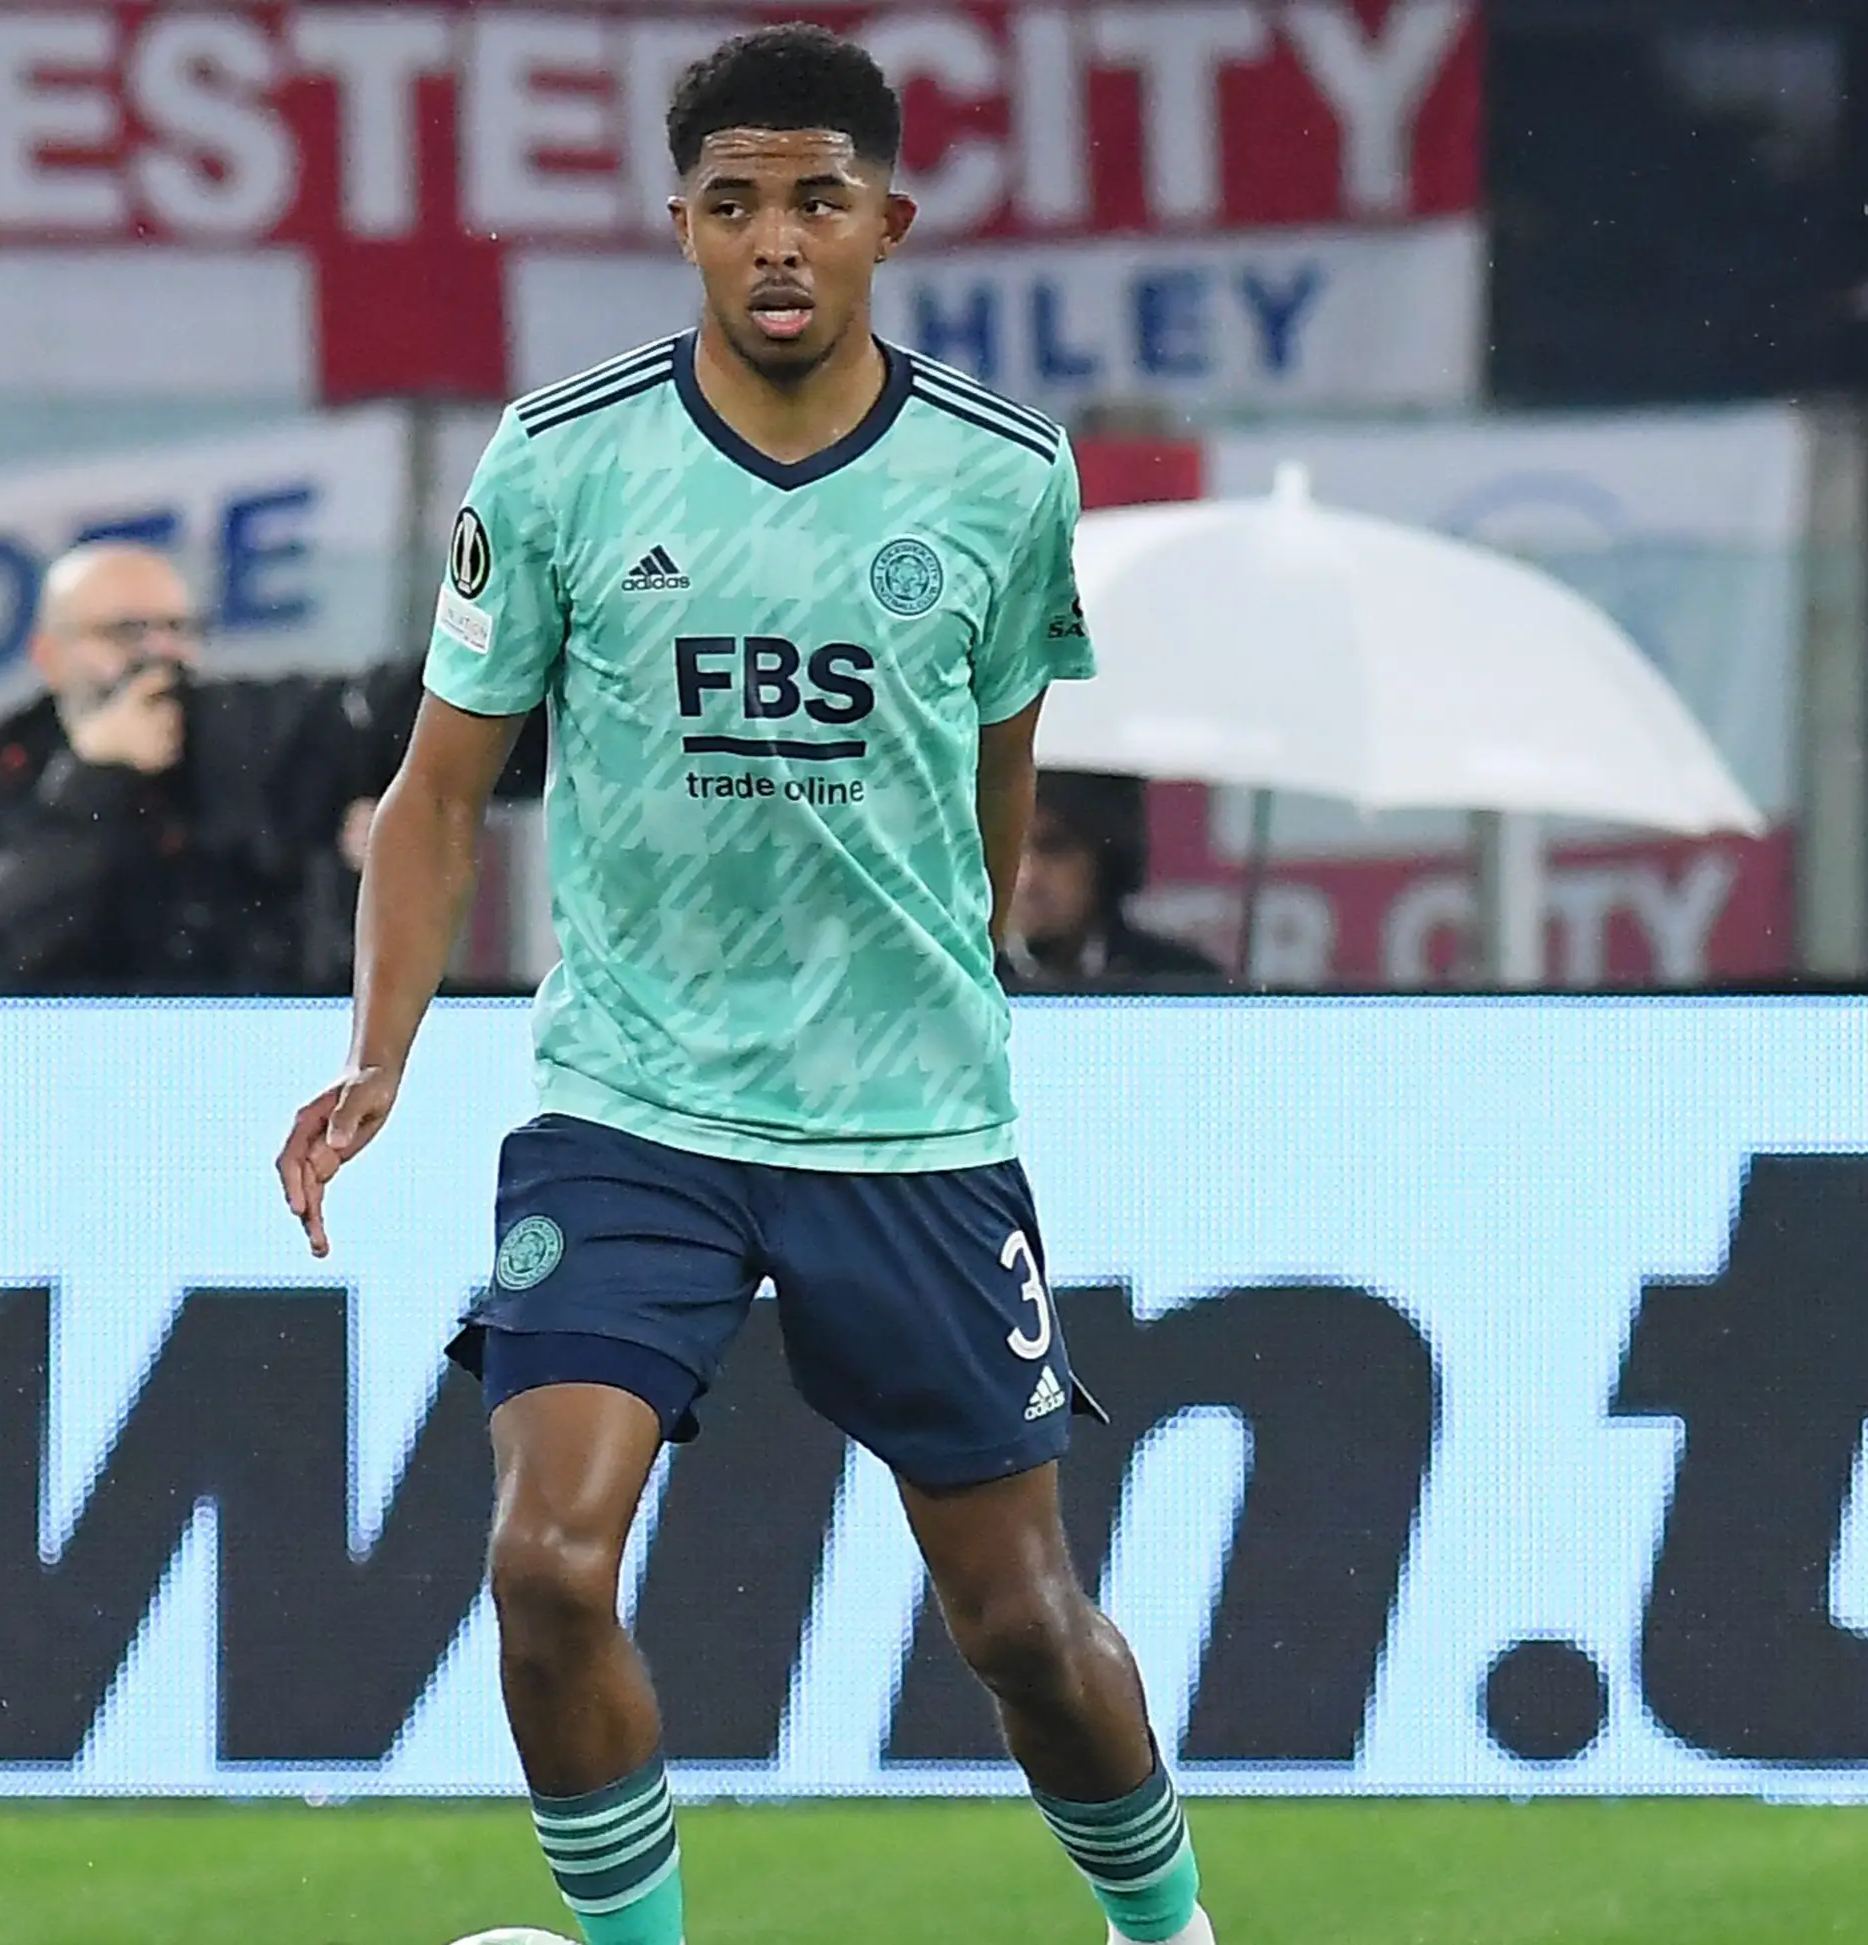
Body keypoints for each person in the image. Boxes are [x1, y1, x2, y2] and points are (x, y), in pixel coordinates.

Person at [275, 28, 1211, 1945]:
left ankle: (1163, 1933)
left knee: (1019, 1625)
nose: (775, 241)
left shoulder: (1002, 476)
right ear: (681, 226)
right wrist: (378, 1061)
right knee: (544, 1563)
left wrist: (952, 977)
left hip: (906, 1119)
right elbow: (437, 796)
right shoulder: (559, 459)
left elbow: (996, 785)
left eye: (813, 201)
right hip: (631, 1107)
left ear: (887, 220)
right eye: (731, 206)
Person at [0, 541, 418, 995]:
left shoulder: (246, 739)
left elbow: (379, 716)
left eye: (178, 628)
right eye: (127, 632)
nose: (161, 653)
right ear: (50, 655)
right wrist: (96, 780)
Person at [1002, 770, 1226, 989]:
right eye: (1008, 849)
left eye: (1054, 848)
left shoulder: (1184, 983)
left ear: (1107, 857)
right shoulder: (970, 985)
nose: (1025, 878)